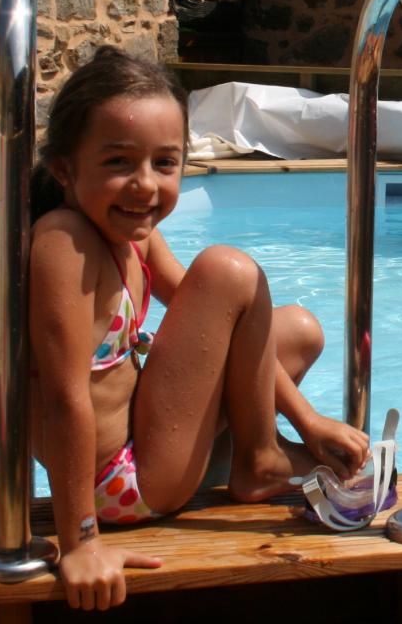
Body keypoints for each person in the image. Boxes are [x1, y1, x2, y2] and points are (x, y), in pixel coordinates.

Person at [27, 46, 370, 612]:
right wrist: (80, 542)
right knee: (227, 269)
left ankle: (260, 454)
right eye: (118, 163)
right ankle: (258, 461)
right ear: (65, 167)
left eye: (164, 164)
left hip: (153, 445)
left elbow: (234, 327)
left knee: (297, 330)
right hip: (120, 485)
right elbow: (65, 400)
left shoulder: (133, 234)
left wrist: (308, 422)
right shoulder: (63, 243)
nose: (144, 185)